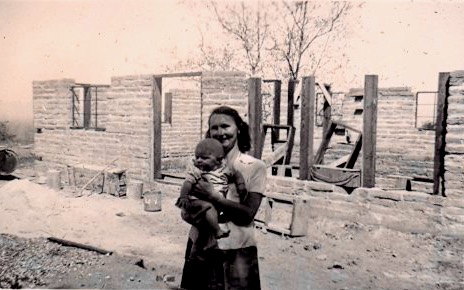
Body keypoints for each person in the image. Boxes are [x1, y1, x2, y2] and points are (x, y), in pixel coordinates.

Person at [179, 106, 267, 290]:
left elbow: (248, 214)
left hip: (238, 250)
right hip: (200, 246)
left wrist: (214, 197)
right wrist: (193, 210)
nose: (220, 132)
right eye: (214, 128)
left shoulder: (254, 167)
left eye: (225, 126)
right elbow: (185, 210)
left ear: (239, 129)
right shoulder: (198, 163)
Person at [175, 138, 248, 246]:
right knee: (208, 207)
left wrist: (241, 186)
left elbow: (237, 175)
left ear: (219, 160)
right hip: (196, 201)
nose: (199, 160)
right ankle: (217, 231)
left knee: (217, 211)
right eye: (197, 157)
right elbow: (187, 183)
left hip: (216, 202)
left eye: (204, 158)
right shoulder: (198, 170)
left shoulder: (225, 169)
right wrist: (184, 197)